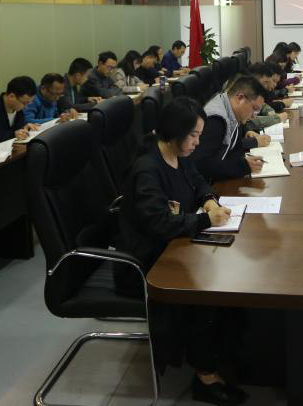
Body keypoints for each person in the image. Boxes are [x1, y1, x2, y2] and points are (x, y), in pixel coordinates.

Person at [115, 97, 245, 405]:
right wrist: (205, 220)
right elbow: (159, 223)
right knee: (207, 292)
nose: (198, 142)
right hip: (145, 262)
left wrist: (209, 201)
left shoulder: (177, 154)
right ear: (174, 133)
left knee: (227, 276)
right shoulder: (148, 170)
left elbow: (198, 181)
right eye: (193, 135)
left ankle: (225, 355)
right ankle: (205, 375)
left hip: (174, 247)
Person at [196, 76, 270, 181]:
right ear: (240, 98)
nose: (254, 115)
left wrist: (245, 162)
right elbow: (202, 165)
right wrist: (243, 166)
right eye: (254, 109)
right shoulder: (216, 121)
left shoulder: (231, 111)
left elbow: (234, 150)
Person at [246, 62, 285, 130]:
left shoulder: (255, 92)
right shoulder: (245, 91)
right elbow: (249, 121)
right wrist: (276, 119)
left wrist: (270, 112)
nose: (265, 86)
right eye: (265, 83)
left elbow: (263, 105)